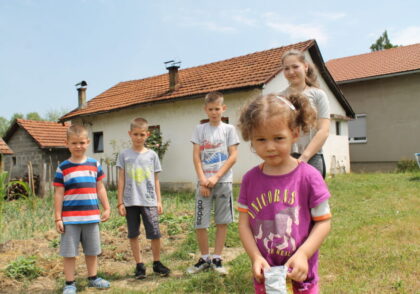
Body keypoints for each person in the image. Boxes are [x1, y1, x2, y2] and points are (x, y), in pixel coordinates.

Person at [237, 93, 332, 294]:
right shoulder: (249, 180)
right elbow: (244, 224)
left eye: (278, 138)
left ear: (295, 133)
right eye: (261, 139)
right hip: (266, 276)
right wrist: (255, 257)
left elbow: (323, 221)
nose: (270, 146)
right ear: (250, 139)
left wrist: (303, 254)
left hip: (302, 275)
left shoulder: (310, 176)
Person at [53, 125, 111, 294]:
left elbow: (100, 188)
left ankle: (93, 278)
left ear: (88, 142)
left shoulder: (94, 164)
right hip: (70, 220)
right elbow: (58, 193)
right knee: (69, 253)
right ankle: (70, 283)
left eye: (82, 142)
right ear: (67, 143)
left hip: (92, 217)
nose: (78, 146)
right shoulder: (63, 167)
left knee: (92, 251)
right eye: (74, 143)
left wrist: (106, 207)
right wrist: (58, 218)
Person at [187, 91, 240, 275]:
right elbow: (196, 157)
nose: (214, 112)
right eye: (210, 109)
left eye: (217, 109)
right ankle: (204, 258)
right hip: (203, 183)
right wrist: (203, 181)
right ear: (205, 110)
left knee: (222, 221)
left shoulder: (229, 130)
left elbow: (233, 156)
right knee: (201, 222)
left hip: (223, 181)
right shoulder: (199, 130)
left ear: (223, 108)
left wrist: (216, 177)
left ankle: (217, 258)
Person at [116, 117, 170, 279]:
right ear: (130, 134)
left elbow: (156, 180)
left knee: (155, 233)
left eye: (142, 134)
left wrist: (159, 200)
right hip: (130, 201)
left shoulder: (152, 155)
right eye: (135, 134)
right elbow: (121, 179)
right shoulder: (124, 155)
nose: (139, 138)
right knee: (133, 234)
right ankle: (139, 265)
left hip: (149, 201)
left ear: (147, 134)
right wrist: (120, 202)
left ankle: (157, 263)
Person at [279, 49, 330, 178]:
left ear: (305, 67)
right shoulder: (279, 98)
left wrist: (304, 158)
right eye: (286, 69)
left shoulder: (318, 94)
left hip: (312, 158)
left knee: (314, 198)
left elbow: (323, 130)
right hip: (286, 158)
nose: (291, 72)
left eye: (295, 67)